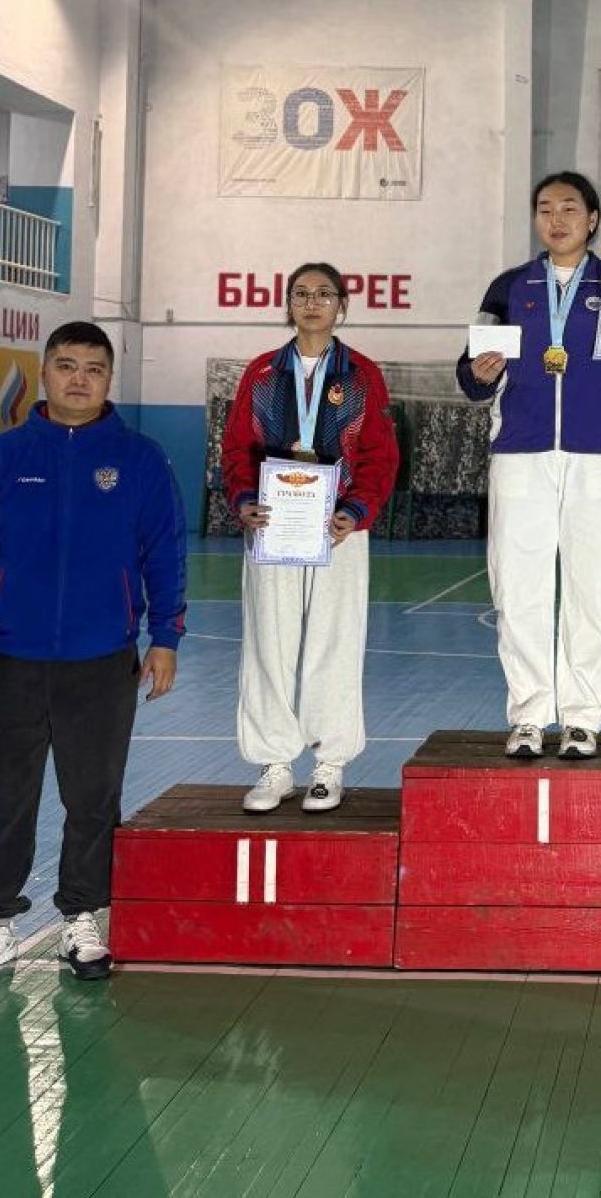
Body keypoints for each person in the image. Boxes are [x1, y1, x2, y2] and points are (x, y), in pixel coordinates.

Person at [0, 321, 187, 988]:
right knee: (3, 799)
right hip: (7, 658)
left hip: (102, 660)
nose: (80, 379)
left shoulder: (140, 459)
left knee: (94, 798)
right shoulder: (0, 456)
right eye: (67, 365)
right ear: (43, 373)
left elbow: (165, 552)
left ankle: (83, 915)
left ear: (109, 379)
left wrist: (165, 636)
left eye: (94, 369)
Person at [456, 171, 601, 760]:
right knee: (519, 589)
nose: (555, 220)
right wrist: (476, 372)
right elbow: (474, 374)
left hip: (597, 455)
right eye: (544, 209)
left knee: (594, 589)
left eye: (568, 208)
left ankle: (582, 718)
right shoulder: (508, 288)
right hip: (521, 454)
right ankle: (529, 716)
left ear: (592, 219)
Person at [222, 262, 399, 814]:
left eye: (324, 294)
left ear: (342, 305)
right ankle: (274, 764)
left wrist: (356, 510)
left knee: (334, 642)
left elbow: (380, 455)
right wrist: (244, 501)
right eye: (301, 293)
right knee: (268, 643)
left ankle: (329, 765)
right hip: (272, 525)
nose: (312, 302)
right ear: (288, 304)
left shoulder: (363, 374)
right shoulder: (261, 373)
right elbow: (236, 450)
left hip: (338, 529)